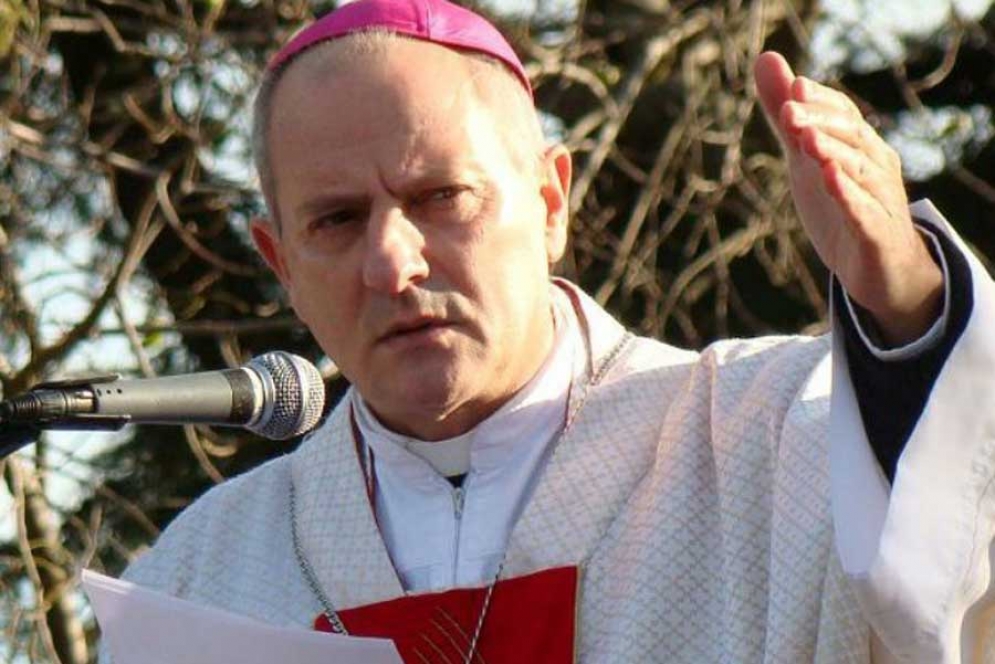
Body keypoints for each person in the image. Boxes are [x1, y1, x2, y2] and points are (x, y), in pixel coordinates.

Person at [99, 0, 995, 662]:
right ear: (279, 260)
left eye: (438, 198)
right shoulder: (197, 583)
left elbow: (958, 550)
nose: (390, 263)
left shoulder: (783, 437)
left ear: (550, 198)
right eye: (335, 220)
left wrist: (909, 306)